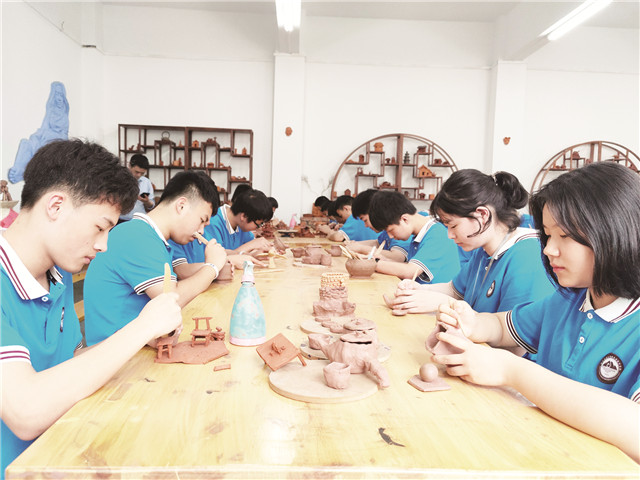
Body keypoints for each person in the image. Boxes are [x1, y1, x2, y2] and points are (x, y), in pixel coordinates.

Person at [433, 162, 640, 462]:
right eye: (548, 235)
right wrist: (470, 324)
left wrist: (511, 371)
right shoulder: (569, 300)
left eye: (564, 236)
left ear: (615, 232)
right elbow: (504, 327)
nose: (548, 250)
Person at [0, 139, 182, 478]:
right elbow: (25, 411)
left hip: (63, 452)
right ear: (55, 206)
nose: (103, 245)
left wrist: (140, 339)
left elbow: (70, 362)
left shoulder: (57, 273)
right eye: (100, 227)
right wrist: (140, 328)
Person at [83, 170, 226, 346]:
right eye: (202, 220)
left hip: (135, 346)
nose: (202, 231)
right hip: (116, 355)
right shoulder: (137, 236)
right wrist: (212, 267)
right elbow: (171, 300)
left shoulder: (150, 237)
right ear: (181, 206)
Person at [388, 170, 554, 315]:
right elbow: (455, 290)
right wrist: (419, 289)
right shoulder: (483, 251)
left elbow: (511, 336)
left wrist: (446, 304)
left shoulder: (527, 255)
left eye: (453, 225)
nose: (449, 235)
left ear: (482, 215)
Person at [170, 187, 272, 276]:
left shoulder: (200, 230)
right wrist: (229, 260)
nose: (202, 231)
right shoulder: (212, 224)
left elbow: (221, 251)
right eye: (202, 220)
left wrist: (248, 255)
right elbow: (181, 271)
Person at [369, 191, 460, 283]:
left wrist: (372, 264)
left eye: (391, 230)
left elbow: (410, 271)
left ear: (404, 219)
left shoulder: (437, 234)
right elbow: (411, 266)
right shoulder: (419, 236)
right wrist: (386, 261)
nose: (390, 236)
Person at [344, 189, 410, 262]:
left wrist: (361, 248)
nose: (365, 225)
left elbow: (398, 257)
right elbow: (378, 243)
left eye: (365, 220)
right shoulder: (387, 228)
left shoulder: (399, 225)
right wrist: (356, 244)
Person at [119, 154, 155, 222]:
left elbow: (151, 206)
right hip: (120, 219)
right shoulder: (119, 180)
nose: (139, 175)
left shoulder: (146, 182)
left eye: (142, 173)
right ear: (129, 166)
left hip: (140, 220)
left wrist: (147, 202)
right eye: (137, 172)